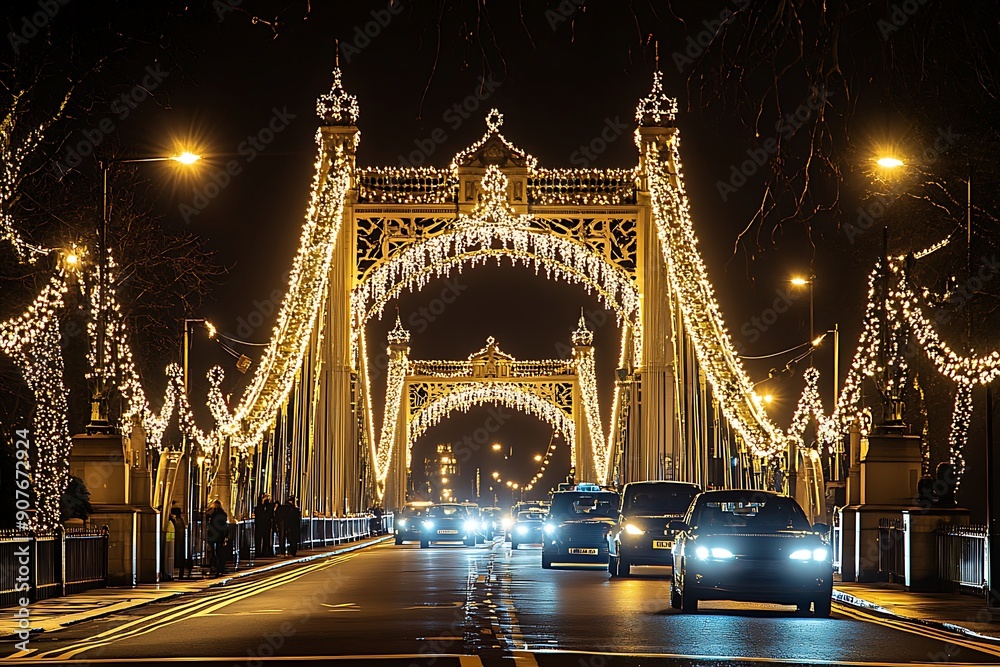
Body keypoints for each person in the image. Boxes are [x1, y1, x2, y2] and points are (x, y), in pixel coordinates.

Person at [205, 499, 230, 576]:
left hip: (214, 535)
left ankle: (214, 566)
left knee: (213, 552)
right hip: (220, 535)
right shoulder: (223, 514)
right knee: (219, 552)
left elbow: (209, 522)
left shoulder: (213, 514)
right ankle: (220, 567)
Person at [169, 506, 191, 579]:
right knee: (181, 559)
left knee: (178, 559)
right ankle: (181, 574)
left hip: (176, 543)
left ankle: (179, 575)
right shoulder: (181, 520)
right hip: (181, 543)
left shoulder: (176, 521)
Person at [254, 493, 274, 558]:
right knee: (259, 539)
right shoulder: (258, 508)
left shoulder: (269, 507)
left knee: (266, 539)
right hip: (260, 525)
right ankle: (258, 553)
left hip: (265, 525)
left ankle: (265, 552)